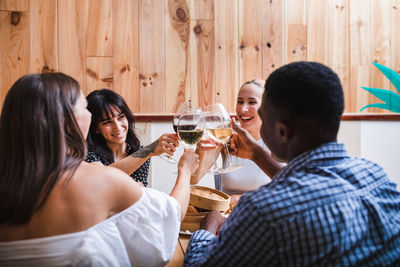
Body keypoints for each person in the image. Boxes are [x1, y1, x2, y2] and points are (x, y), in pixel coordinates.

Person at [184, 61, 400, 266]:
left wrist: (207, 229)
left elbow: (201, 264)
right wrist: (258, 154)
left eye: (262, 114)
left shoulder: (264, 210)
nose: (243, 111)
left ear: (281, 131)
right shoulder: (375, 175)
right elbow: (309, 185)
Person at [0, 73, 199, 266]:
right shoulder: (100, 179)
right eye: (85, 108)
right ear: (69, 124)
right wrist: (185, 170)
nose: (89, 114)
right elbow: (172, 215)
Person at [192, 80, 281, 204]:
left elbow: (289, 188)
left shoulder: (281, 142)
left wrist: (240, 199)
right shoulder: (226, 137)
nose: (243, 109)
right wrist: (200, 150)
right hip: (228, 216)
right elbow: (193, 179)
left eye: (252, 102)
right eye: (240, 102)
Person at [85, 88, 179, 187]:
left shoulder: (138, 151)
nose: (117, 127)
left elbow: (139, 192)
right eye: (107, 122)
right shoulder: (87, 151)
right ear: (96, 128)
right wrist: (150, 150)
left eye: (121, 117)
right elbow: (103, 178)